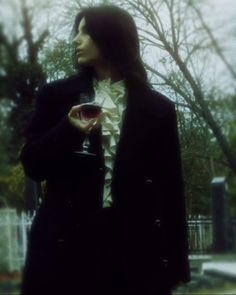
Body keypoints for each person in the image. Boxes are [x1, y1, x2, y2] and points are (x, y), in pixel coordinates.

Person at [20, 4, 190, 295]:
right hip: (66, 249)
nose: (76, 39)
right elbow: (33, 165)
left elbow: (171, 189)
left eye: (85, 32)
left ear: (111, 37)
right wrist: (68, 130)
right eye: (77, 32)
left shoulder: (158, 108)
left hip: (134, 251)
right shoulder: (56, 96)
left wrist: (175, 266)